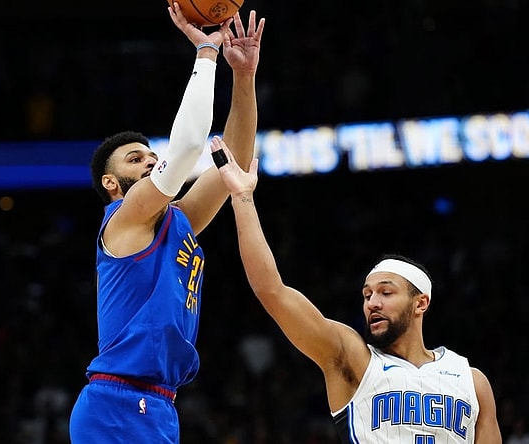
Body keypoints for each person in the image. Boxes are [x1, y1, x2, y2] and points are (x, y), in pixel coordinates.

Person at [208, 136, 503, 443]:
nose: (372, 302)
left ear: (420, 303)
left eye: (386, 293)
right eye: (367, 295)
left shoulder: (472, 381)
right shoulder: (353, 358)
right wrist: (242, 198)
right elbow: (271, 290)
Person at [68, 3, 265, 443]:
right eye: (135, 159)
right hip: (116, 404)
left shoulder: (177, 221)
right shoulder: (123, 219)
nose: (150, 161)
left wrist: (244, 77)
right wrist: (206, 54)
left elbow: (229, 156)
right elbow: (187, 147)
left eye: (151, 156)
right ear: (111, 182)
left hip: (159, 403)